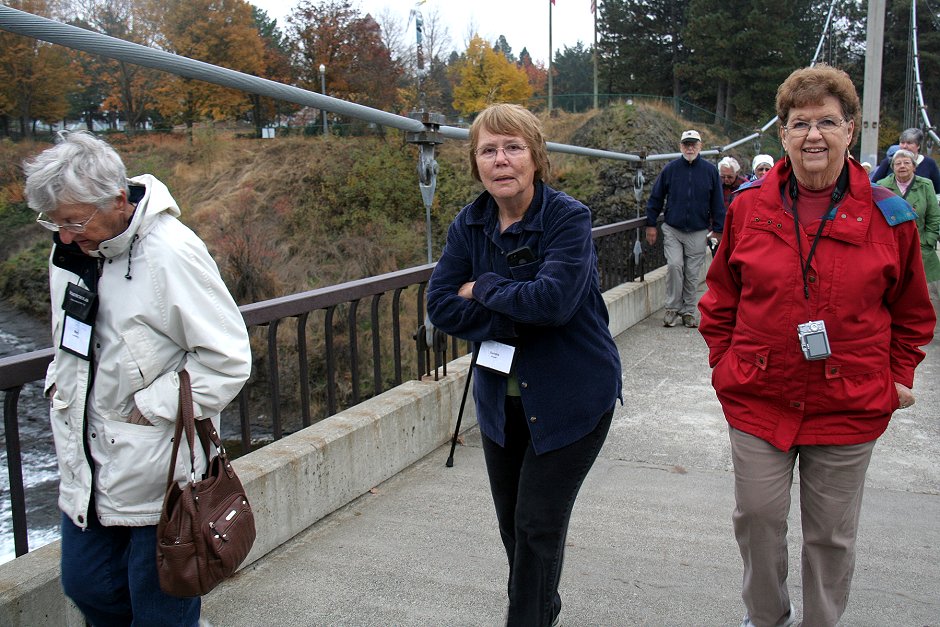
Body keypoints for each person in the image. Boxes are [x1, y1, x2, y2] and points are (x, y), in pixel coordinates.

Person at [698, 65, 935, 627]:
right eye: (799, 123)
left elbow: (912, 312)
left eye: (827, 121)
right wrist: (724, 364)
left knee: (830, 536)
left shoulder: (890, 216)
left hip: (849, 402)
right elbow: (720, 299)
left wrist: (898, 377)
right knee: (756, 519)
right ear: (782, 134)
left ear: (850, 131)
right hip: (759, 393)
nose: (813, 135)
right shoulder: (748, 208)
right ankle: (765, 619)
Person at [24, 131, 252, 626]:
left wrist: (149, 407)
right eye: (54, 222)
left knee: (160, 610)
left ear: (118, 200)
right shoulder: (71, 252)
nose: (63, 235)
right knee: (87, 588)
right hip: (86, 461)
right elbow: (73, 340)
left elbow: (229, 359)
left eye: (73, 220)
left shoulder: (170, 253)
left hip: (158, 470)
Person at [426, 103, 622, 627]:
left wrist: (484, 288)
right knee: (513, 526)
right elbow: (441, 305)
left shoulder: (567, 217)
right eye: (488, 150)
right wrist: (516, 311)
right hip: (500, 404)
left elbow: (554, 303)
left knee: (537, 524)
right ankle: (541, 606)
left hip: (571, 397)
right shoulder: (468, 226)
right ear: (475, 163)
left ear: (536, 156)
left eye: (513, 147)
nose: (501, 159)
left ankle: (527, 617)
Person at [646, 129, 725, 328]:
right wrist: (650, 224)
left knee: (692, 273)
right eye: (686, 144)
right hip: (673, 228)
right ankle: (672, 309)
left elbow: (717, 202)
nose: (690, 148)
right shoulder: (670, 169)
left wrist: (718, 229)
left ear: (700, 146)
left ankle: (688, 311)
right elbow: (656, 197)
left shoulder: (710, 171)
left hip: (698, 230)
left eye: (693, 144)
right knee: (674, 266)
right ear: (680, 146)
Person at [876, 148, 940, 303]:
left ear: (914, 166)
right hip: (891, 246)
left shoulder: (925, 185)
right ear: (892, 167)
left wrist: (928, 241)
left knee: (928, 296)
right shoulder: (881, 185)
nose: (902, 166)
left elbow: (934, 216)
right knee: (893, 294)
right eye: (898, 163)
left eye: (906, 163)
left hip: (922, 247)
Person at [869, 128, 940, 191]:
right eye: (902, 143)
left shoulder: (929, 163)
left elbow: (938, 189)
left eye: (909, 143)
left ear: (918, 146)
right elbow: (873, 186)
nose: (904, 146)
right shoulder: (888, 162)